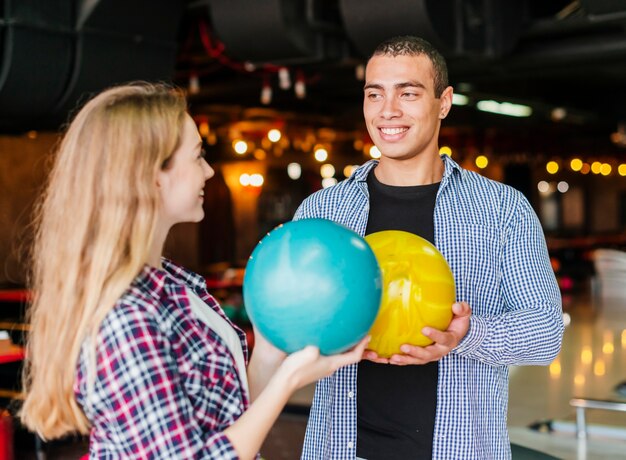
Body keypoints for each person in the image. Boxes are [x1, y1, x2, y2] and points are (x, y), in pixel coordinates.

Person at [19, 82, 368, 459]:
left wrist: (269, 351)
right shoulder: (125, 316)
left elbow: (226, 415)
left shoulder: (172, 283)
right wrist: (288, 381)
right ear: (153, 175)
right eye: (198, 156)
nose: (209, 171)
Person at [294, 36, 564, 459]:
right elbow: (296, 322)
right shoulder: (322, 211)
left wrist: (468, 334)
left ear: (444, 101)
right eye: (375, 94)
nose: (388, 111)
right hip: (340, 448)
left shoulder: (501, 209)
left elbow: (546, 333)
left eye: (408, 93)